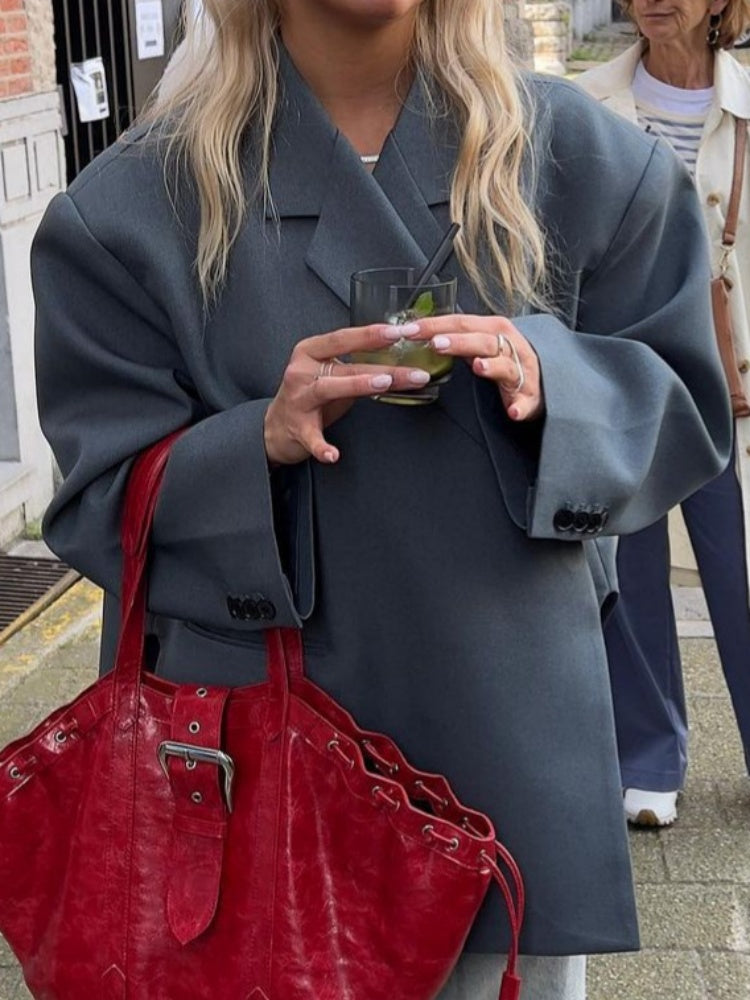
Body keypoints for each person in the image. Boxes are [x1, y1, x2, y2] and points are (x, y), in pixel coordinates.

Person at [31, 0, 731, 997]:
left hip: (505, 773)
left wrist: (555, 384)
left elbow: (684, 409)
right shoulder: (135, 208)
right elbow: (104, 500)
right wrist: (256, 444)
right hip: (259, 789)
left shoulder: (580, 163)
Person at [578, 0, 750, 828]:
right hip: (628, 372)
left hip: (732, 373)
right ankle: (648, 758)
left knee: (741, 568)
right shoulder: (583, 104)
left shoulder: (744, 105)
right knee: (632, 566)